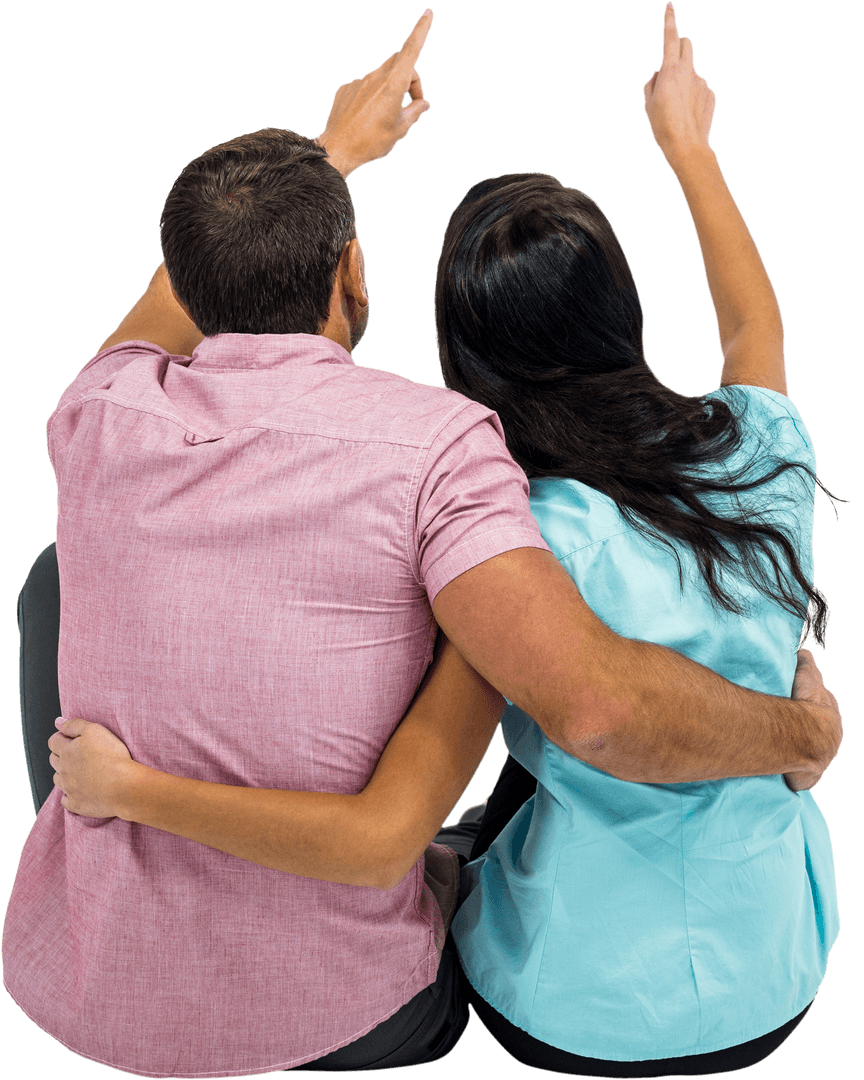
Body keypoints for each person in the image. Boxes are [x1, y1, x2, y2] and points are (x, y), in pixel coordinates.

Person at [5, 5, 843, 1077]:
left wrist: (334, 151)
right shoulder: (746, 452)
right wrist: (689, 142)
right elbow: (755, 335)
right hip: (772, 969)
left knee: (57, 579)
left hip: (125, 991)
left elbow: (182, 292)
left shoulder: (98, 408)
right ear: (353, 276)